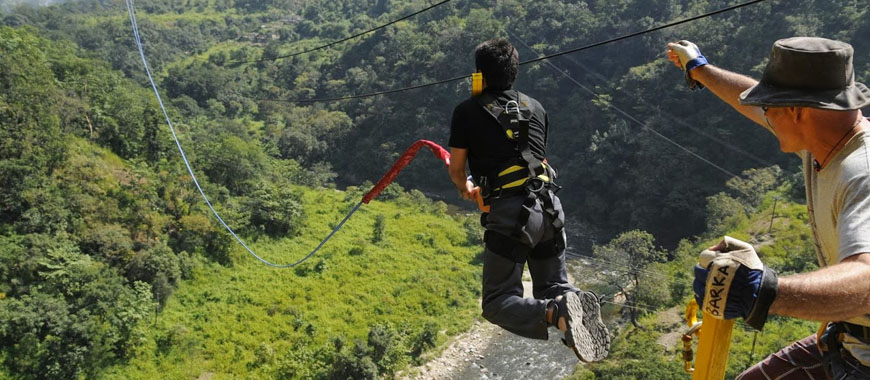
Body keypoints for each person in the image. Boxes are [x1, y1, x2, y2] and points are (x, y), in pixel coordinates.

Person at [667, 37, 870, 378]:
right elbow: (751, 103)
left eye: (771, 106)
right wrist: (699, 69)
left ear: (796, 110)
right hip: (846, 338)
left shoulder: (861, 172)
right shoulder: (827, 139)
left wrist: (762, 289)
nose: (766, 115)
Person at [447, 38, 610, 362]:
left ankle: (555, 314)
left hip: (511, 215)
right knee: (554, 285)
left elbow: (457, 169)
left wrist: (467, 189)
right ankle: (569, 300)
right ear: (515, 72)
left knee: (496, 301)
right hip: (550, 209)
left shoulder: (467, 110)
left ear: (478, 74)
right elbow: (533, 161)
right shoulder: (536, 108)